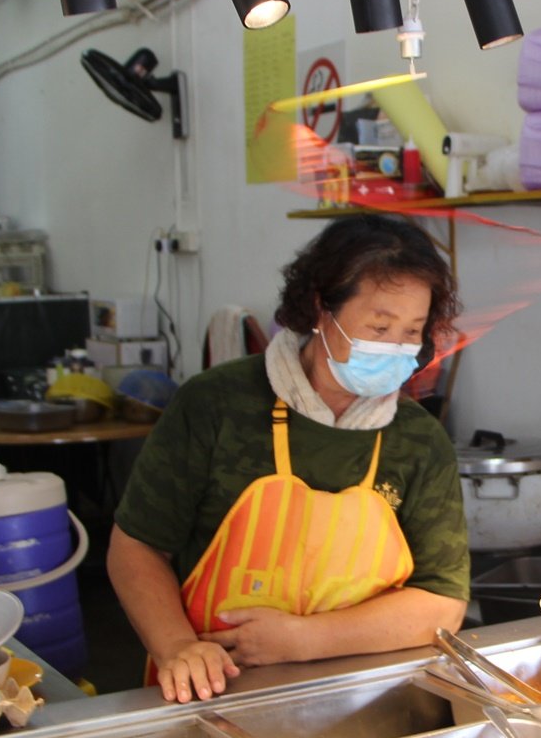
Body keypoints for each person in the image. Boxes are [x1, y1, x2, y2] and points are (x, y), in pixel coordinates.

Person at [110, 214, 470, 704]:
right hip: (211, 693)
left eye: (411, 332)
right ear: (322, 308)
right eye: (379, 326)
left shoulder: (419, 441)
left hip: (369, 699)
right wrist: (176, 647)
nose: (396, 348)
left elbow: (442, 604)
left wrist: (300, 640)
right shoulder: (217, 404)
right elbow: (136, 547)